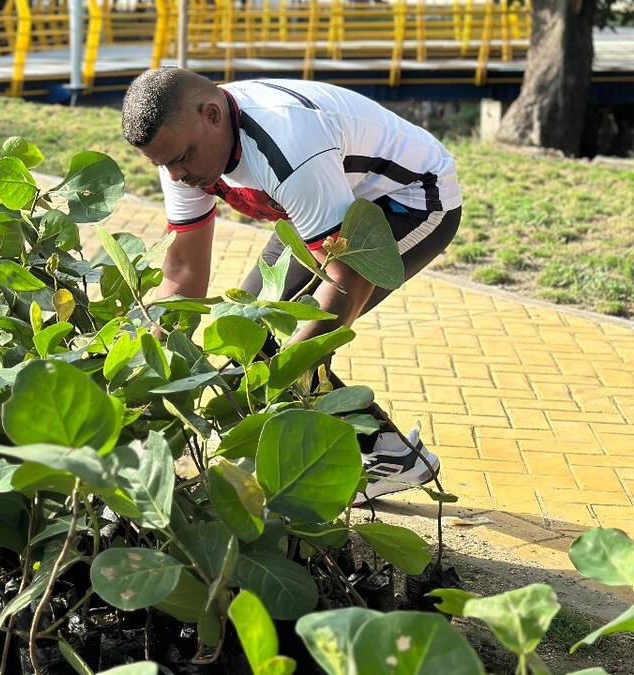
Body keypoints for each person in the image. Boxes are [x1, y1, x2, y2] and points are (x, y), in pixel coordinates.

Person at [121, 68, 461, 503]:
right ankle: (392, 452)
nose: (178, 174)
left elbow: (345, 280)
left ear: (212, 115)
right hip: (336, 200)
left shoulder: (287, 147)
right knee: (249, 338)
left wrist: (284, 370)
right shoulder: (183, 153)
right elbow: (183, 272)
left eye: (183, 158)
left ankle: (380, 454)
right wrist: (145, 361)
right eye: (163, 164)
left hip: (411, 200)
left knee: (282, 354)